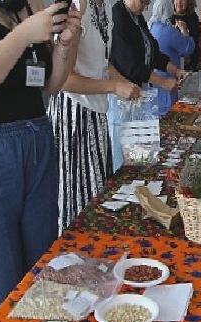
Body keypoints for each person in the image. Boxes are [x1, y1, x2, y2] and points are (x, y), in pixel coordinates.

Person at [0, 0, 81, 316]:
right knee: (0, 281)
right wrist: (24, 34)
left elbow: (48, 86)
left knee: (41, 270)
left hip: (38, 138)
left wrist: (64, 46)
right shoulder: (22, 22)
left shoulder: (26, 8)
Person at [48, 0, 142, 233]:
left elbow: (102, 63)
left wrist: (122, 82)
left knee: (95, 194)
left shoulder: (105, 7)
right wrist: (113, 87)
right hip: (73, 117)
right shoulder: (77, 7)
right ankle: (73, 260)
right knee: (77, 202)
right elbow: (65, 81)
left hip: (95, 115)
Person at [110, 0, 185, 92]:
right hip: (125, 89)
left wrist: (176, 70)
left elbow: (151, 51)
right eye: (142, 2)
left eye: (147, 3)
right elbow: (129, 64)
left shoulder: (138, 17)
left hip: (139, 86)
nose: (145, 8)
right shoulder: (118, 16)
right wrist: (163, 82)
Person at [149, 0, 195, 115]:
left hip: (151, 81)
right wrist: (184, 30)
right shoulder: (168, 31)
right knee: (168, 117)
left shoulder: (149, 27)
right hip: (168, 80)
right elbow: (188, 48)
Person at [172, 0, 201, 71]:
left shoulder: (193, 17)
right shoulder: (168, 18)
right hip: (173, 67)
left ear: (189, 2)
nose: (179, 2)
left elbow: (200, 39)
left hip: (192, 66)